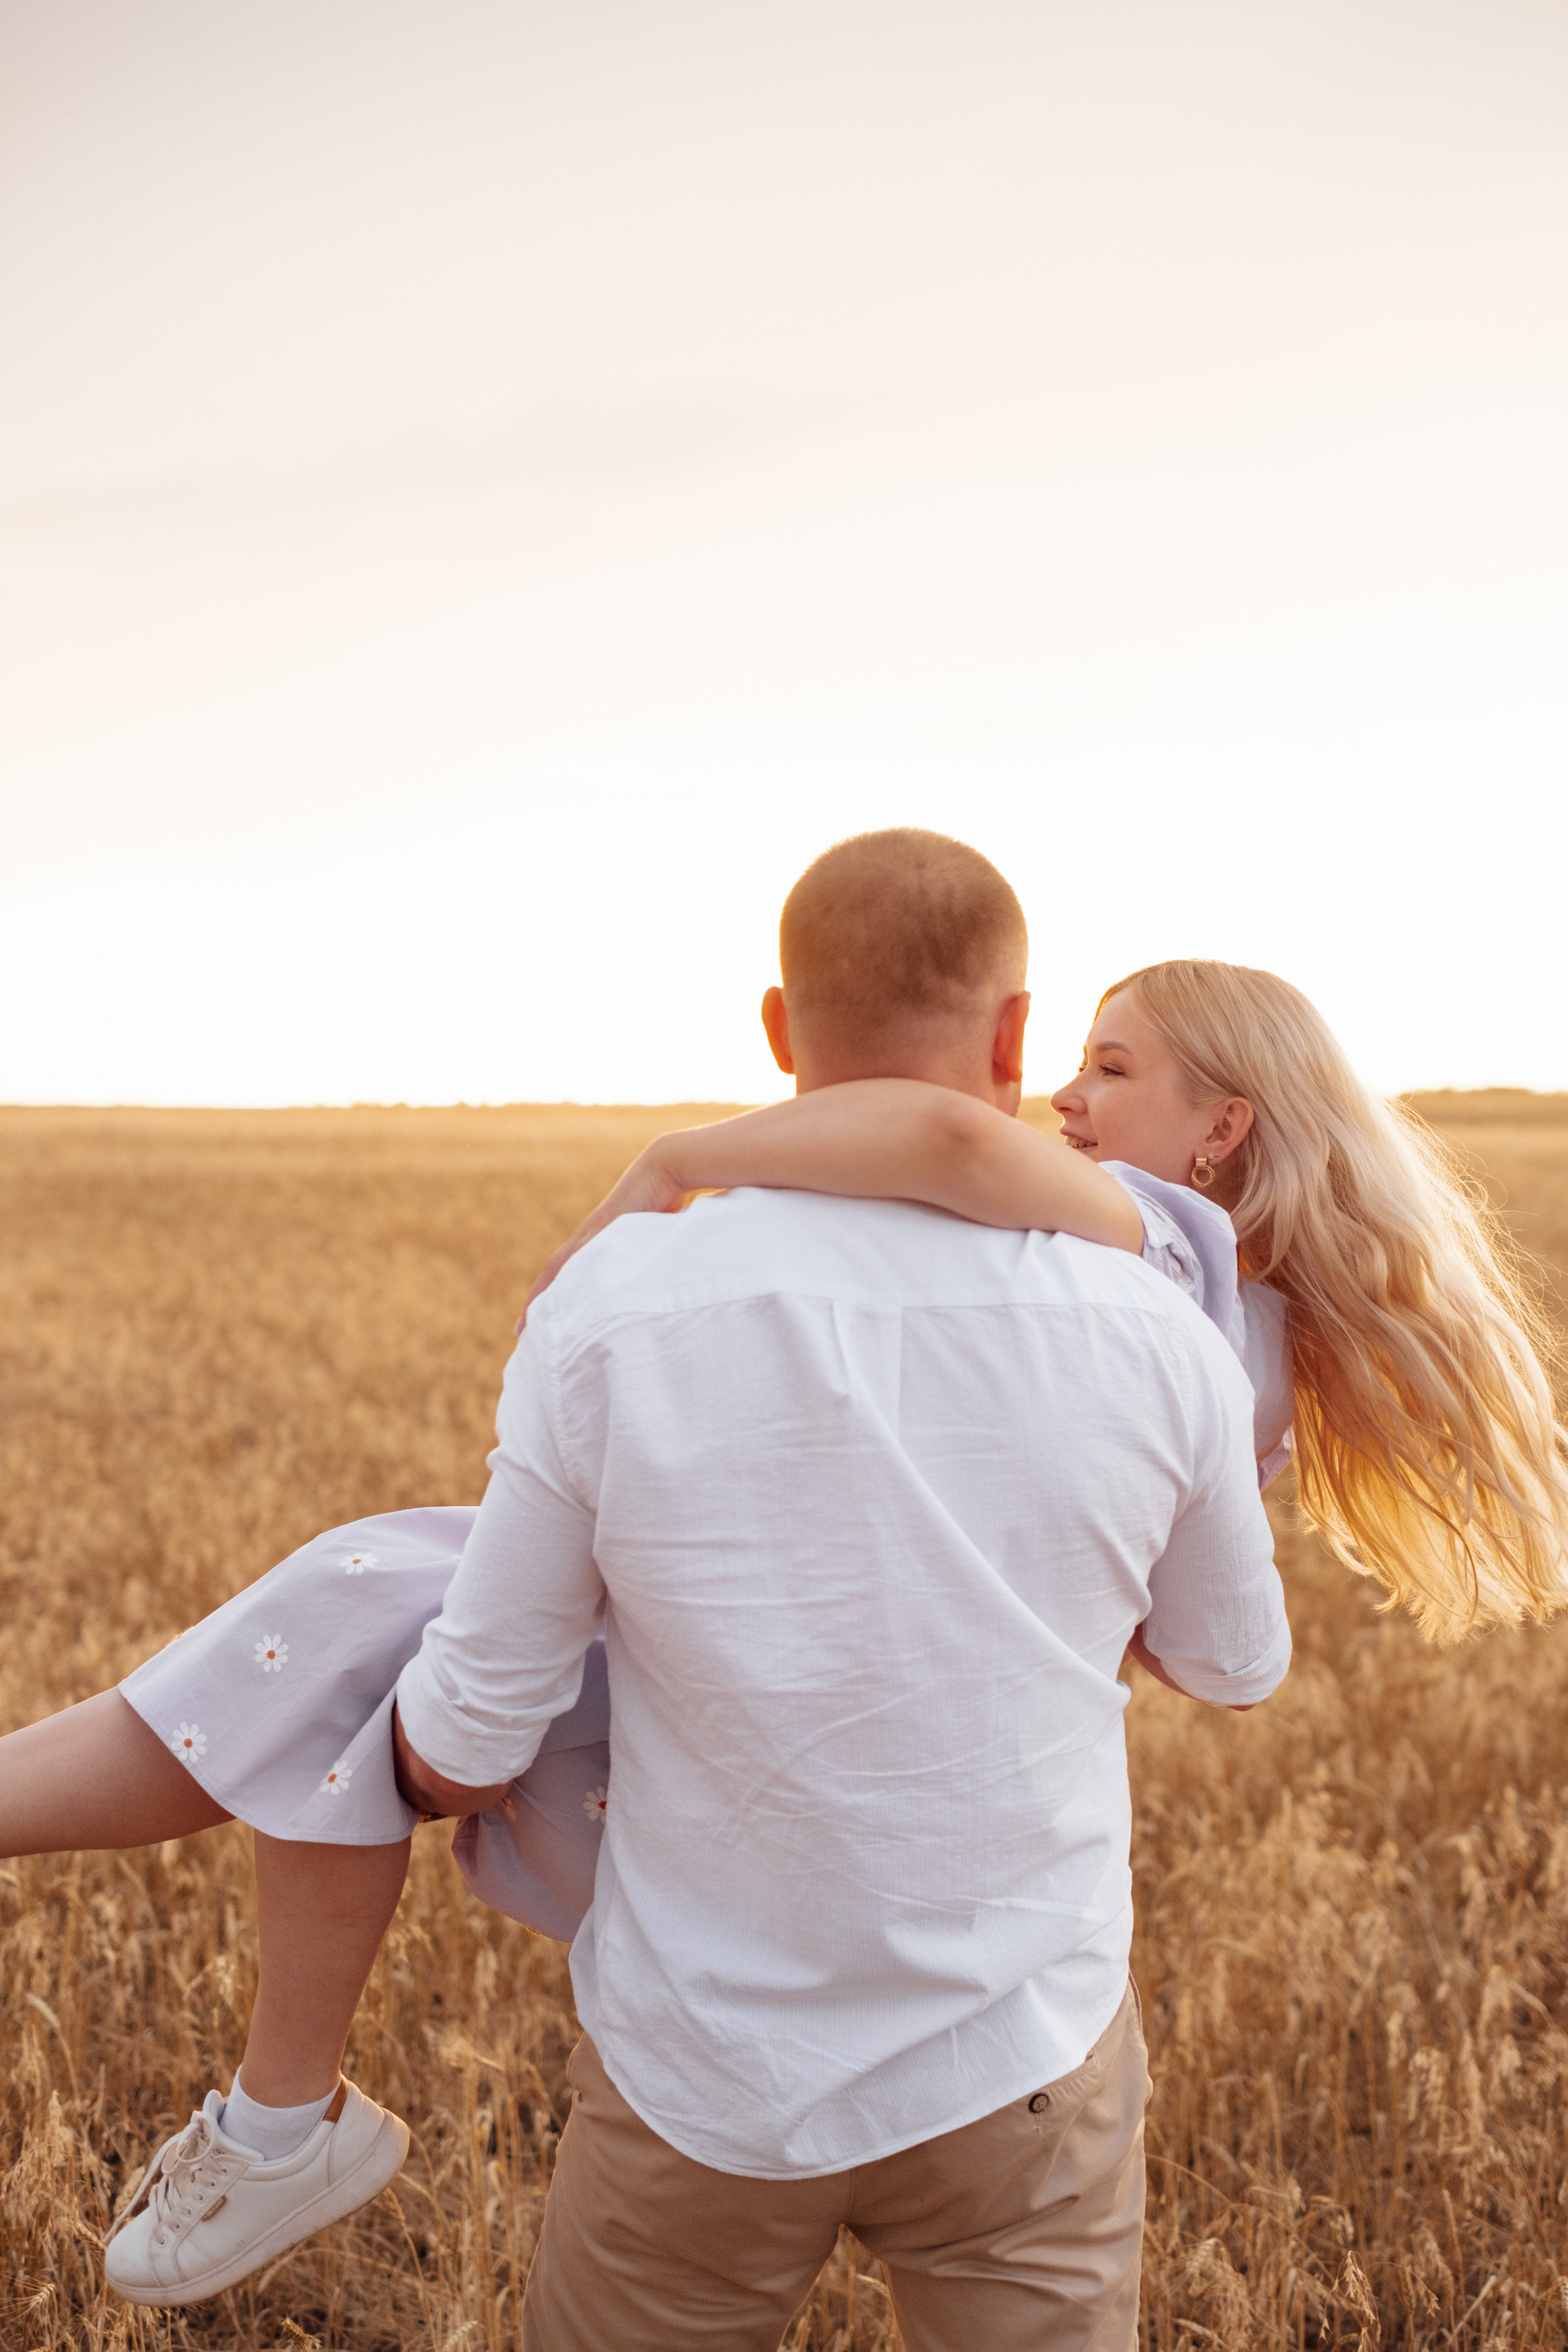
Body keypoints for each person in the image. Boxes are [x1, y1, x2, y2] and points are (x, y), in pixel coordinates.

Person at [2, 827, 1561, 2320]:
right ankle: (275, 2109)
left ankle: (281, 2110)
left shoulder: (1151, 1254)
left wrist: (675, 1156)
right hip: (996, 1976)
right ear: (1011, 1026)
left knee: (350, 1639)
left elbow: (941, 1129)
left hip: (716, 1901)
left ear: (1219, 1126)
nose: (1070, 1105)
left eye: (1115, 1067)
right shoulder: (1220, 1324)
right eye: (1070, 1057)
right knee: (353, 1623)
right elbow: (1204, 1650)